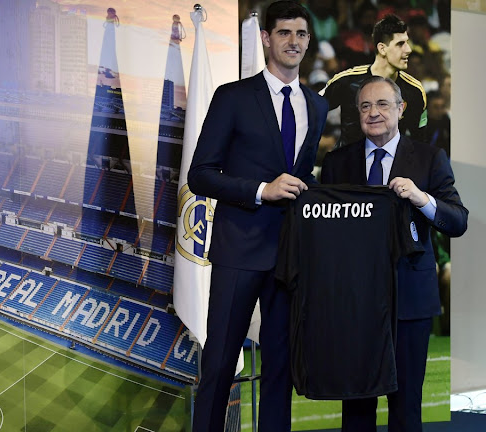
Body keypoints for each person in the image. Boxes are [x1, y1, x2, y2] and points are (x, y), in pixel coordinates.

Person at [187, 1, 328, 430]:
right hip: (239, 249)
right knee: (219, 363)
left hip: (289, 256)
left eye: (301, 34)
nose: (294, 41)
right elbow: (200, 175)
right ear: (266, 38)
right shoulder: (233, 97)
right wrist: (260, 191)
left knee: (280, 367)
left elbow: (302, 179)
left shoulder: (316, 106)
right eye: (284, 32)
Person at [320, 76, 468, 432]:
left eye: (383, 104)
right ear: (357, 114)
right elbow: (323, 233)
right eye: (365, 106)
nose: (374, 113)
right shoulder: (337, 163)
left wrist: (422, 198)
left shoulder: (431, 159)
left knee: (406, 410)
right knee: (355, 409)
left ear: (401, 110)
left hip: (411, 303)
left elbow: (458, 221)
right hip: (354, 304)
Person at [321, 14, 427, 147]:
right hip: (348, 165)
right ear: (382, 48)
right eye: (400, 44)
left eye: (407, 43)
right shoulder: (347, 81)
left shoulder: (415, 90)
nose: (408, 49)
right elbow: (310, 109)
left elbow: (419, 142)